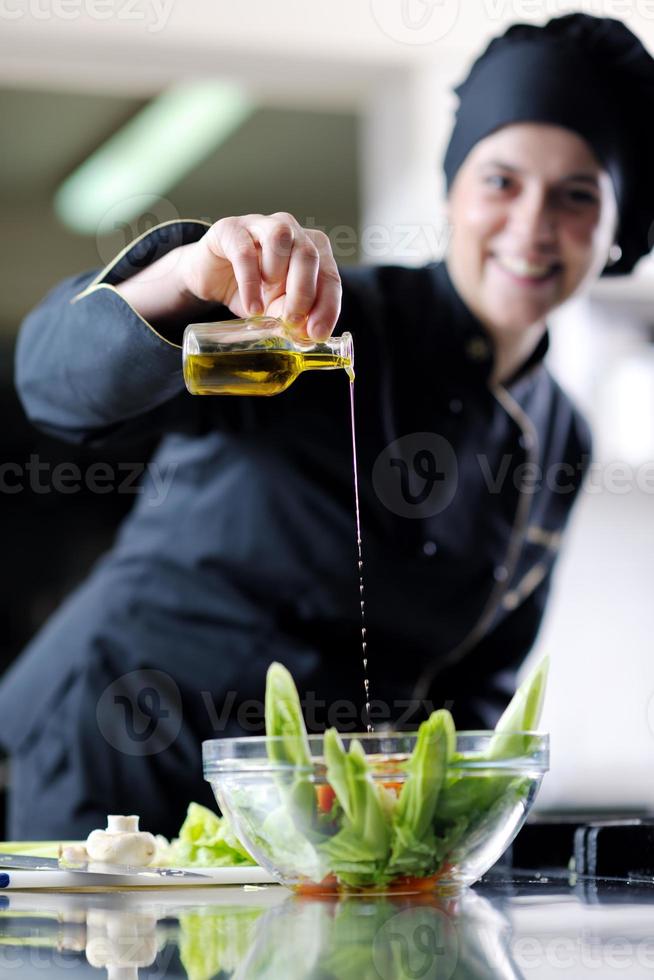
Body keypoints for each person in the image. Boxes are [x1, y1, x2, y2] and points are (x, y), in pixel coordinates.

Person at [2, 12, 653, 840]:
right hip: (120, 755)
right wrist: (188, 275)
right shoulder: (320, 323)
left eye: (576, 195)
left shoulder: (563, 434)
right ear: (451, 188)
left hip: (304, 820)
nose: (531, 225)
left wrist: (441, 826)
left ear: (615, 229)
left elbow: (473, 687)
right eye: (501, 181)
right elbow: (57, 386)